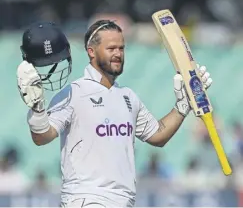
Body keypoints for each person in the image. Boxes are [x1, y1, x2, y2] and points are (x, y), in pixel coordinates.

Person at [17, 20, 212, 207]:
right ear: (91, 51)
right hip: (86, 198)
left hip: (123, 200)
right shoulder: (73, 93)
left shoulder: (128, 96)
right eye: (111, 49)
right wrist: (37, 109)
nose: (118, 54)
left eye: (121, 48)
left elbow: (158, 135)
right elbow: (42, 137)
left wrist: (183, 105)